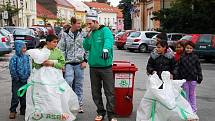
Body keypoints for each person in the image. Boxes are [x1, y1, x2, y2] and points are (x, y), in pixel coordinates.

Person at [83, 9, 117, 121]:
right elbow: (87, 47)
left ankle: (111, 115)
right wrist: (86, 38)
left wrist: (106, 49)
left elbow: (109, 40)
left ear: (96, 22)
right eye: (87, 23)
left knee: (110, 92)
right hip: (94, 67)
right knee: (96, 92)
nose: (88, 26)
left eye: (90, 23)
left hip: (106, 67)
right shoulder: (91, 33)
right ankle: (100, 112)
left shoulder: (105, 30)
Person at [58, 17, 87, 113]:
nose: (79, 25)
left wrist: (85, 61)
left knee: (79, 85)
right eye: (78, 23)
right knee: (68, 81)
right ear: (72, 24)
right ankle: (69, 103)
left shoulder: (83, 34)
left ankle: (79, 104)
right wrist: (62, 63)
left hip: (80, 63)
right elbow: (61, 49)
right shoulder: (65, 34)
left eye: (80, 23)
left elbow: (87, 48)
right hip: (68, 63)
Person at [176, 41, 203, 113]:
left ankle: (193, 109)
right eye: (187, 48)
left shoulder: (195, 57)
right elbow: (178, 68)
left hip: (193, 79)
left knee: (192, 94)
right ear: (185, 48)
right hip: (184, 79)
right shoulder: (182, 57)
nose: (189, 49)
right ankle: (187, 109)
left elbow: (198, 68)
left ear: (193, 49)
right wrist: (177, 77)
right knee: (185, 95)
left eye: (190, 48)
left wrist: (200, 77)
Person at [9, 40, 31, 119]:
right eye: (23, 48)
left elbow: (28, 67)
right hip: (17, 81)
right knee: (16, 96)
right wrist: (16, 77)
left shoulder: (26, 57)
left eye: (25, 48)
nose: (25, 49)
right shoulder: (14, 58)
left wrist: (28, 74)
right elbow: (12, 69)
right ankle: (13, 111)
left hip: (25, 79)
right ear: (18, 48)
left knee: (24, 96)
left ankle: (23, 110)